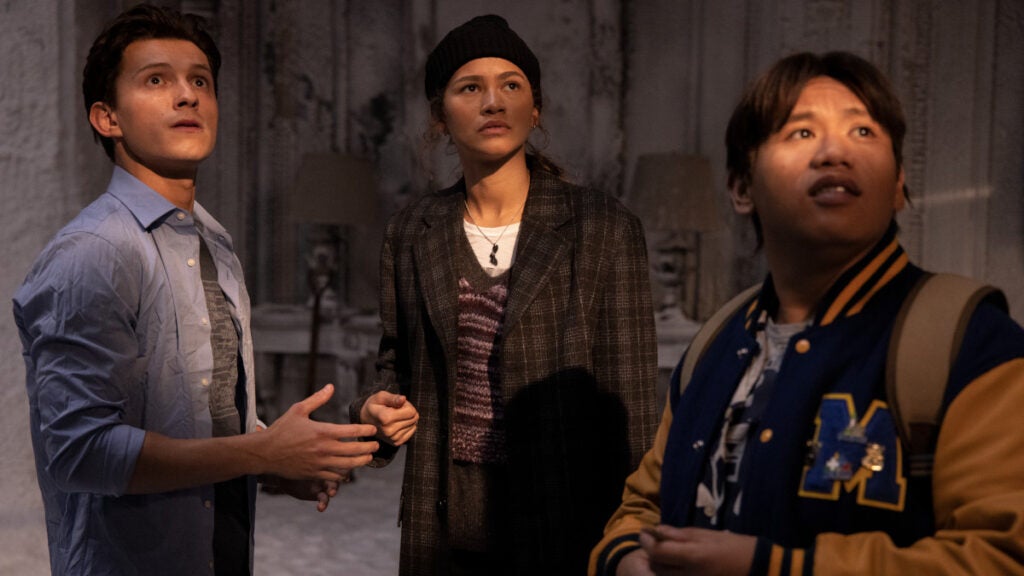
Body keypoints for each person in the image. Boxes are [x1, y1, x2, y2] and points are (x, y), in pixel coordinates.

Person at [590, 51, 1024, 576]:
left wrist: (772, 566)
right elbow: (642, 506)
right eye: (801, 132)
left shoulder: (970, 340)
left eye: (863, 132)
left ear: (898, 184)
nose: (835, 152)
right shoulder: (717, 342)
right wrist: (627, 559)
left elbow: (1001, 555)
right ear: (742, 188)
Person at [12, 5, 378, 575]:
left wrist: (278, 462)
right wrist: (260, 452)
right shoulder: (94, 253)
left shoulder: (213, 240)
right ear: (107, 118)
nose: (187, 95)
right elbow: (79, 451)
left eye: (200, 81)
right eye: (156, 80)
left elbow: (208, 413)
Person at [349, 14, 659, 576]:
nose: (493, 102)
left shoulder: (602, 226)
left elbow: (631, 407)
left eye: (511, 85)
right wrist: (374, 410)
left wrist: (632, 538)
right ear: (441, 116)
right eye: (470, 88)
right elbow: (397, 364)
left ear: (534, 109)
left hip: (567, 524)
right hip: (445, 526)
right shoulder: (413, 230)